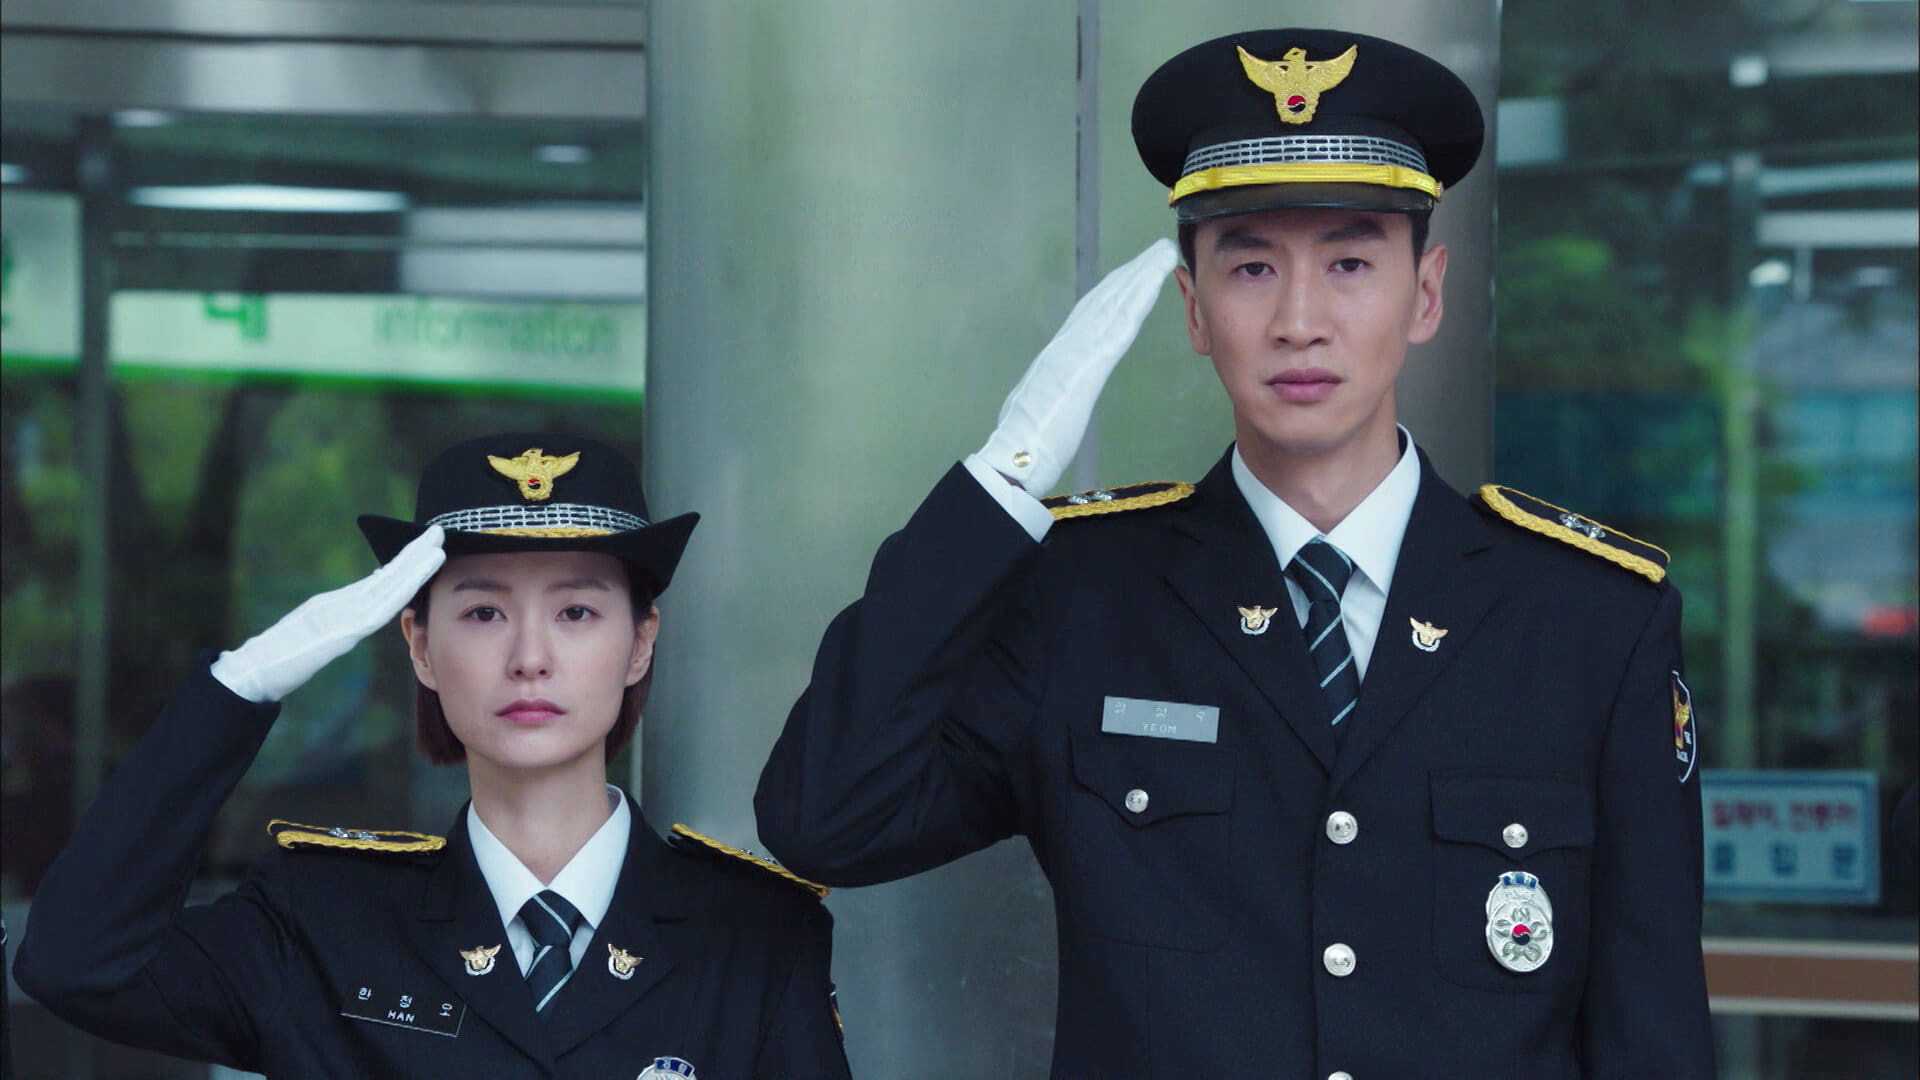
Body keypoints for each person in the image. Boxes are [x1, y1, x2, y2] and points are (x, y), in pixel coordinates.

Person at [756, 28, 1714, 1078]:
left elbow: (1652, 1032)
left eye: (1350, 263)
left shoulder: (1586, 620)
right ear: (1194, 309)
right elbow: (824, 821)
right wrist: (1001, 483)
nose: (1299, 321)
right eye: (1252, 266)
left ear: (1427, 293)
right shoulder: (1082, 596)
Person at [16, 433, 850, 1080]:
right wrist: (241, 687)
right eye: (484, 613)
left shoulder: (753, 936)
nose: (530, 658)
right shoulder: (324, 921)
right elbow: (76, 964)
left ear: (640, 644)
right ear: (419, 645)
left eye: (577, 613)